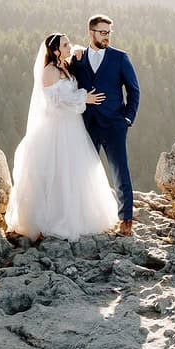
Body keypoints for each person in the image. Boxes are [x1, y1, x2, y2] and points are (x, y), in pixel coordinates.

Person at [4, 33, 119, 240]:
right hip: (56, 127)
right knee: (56, 169)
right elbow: (56, 101)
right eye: (65, 44)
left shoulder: (64, 66)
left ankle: (77, 214)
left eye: (68, 43)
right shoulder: (48, 71)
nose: (69, 46)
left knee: (74, 169)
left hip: (72, 125)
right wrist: (85, 98)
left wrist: (76, 51)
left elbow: (78, 56)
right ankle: (52, 218)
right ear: (55, 50)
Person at [69, 14, 140, 237]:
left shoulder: (120, 57)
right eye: (103, 32)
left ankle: (126, 220)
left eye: (109, 32)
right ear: (91, 32)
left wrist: (127, 118)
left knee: (120, 171)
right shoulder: (78, 59)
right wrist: (74, 52)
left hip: (114, 125)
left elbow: (134, 90)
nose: (107, 36)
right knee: (83, 172)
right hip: (86, 124)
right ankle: (82, 216)